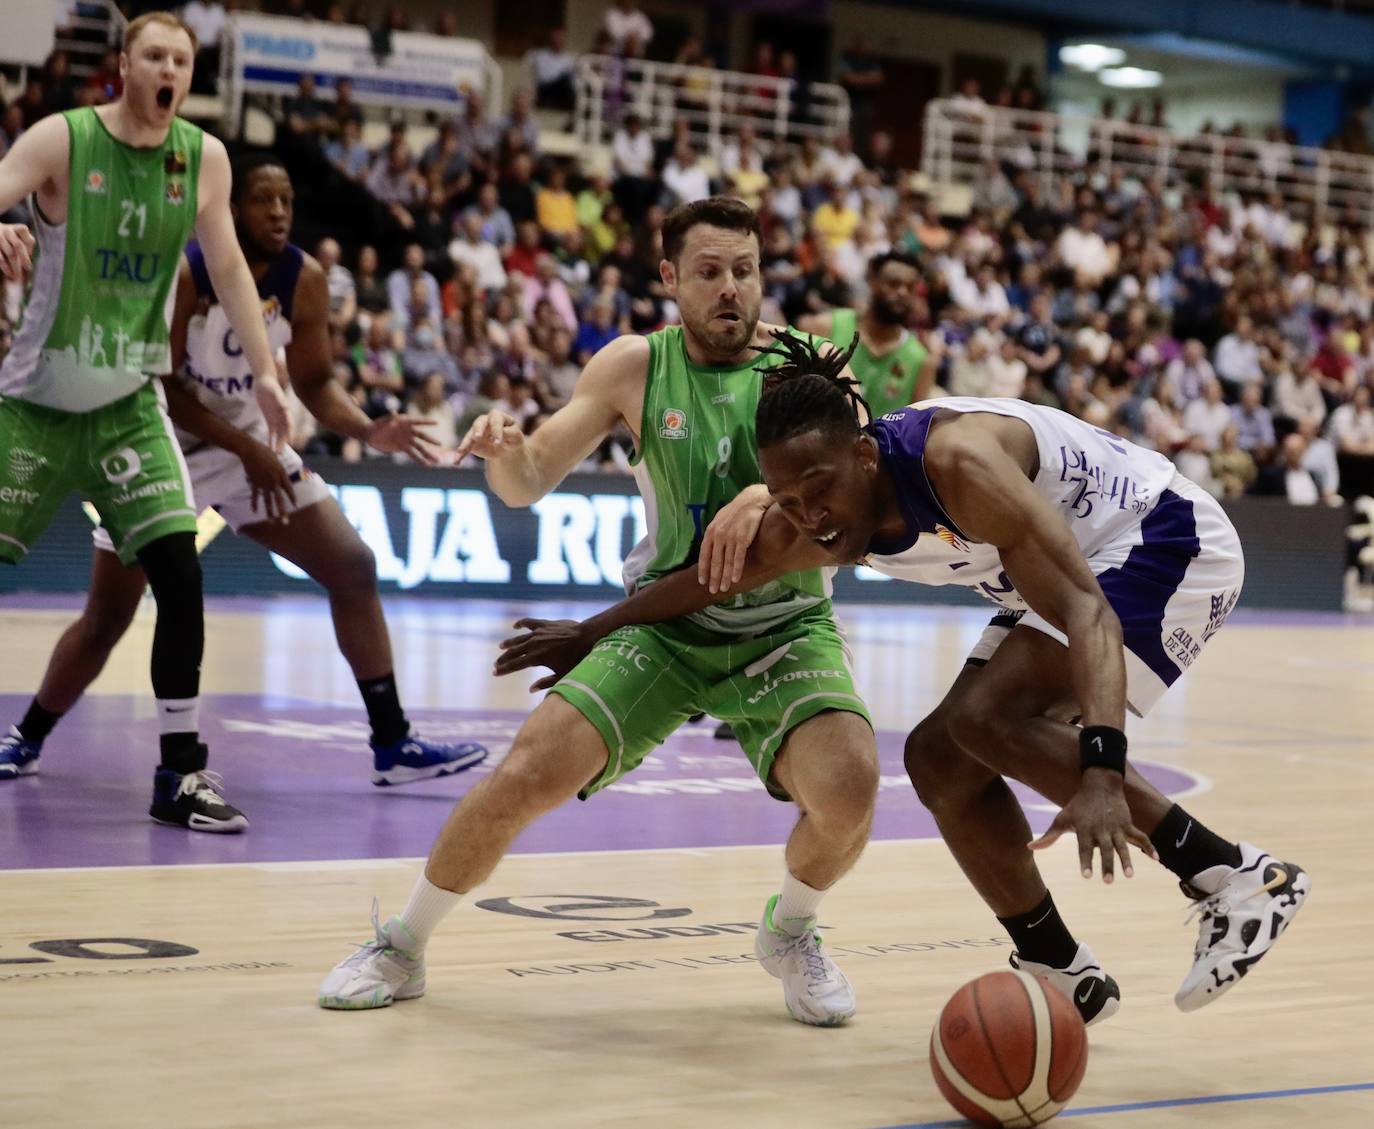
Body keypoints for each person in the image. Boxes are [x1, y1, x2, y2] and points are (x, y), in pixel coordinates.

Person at [498, 336, 1311, 1024]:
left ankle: (1238, 874)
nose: (808, 515)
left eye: (817, 490)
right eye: (785, 496)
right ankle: (1061, 969)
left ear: (862, 456)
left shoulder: (959, 463)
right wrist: (591, 629)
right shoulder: (817, 515)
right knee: (939, 757)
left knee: (989, 718)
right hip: (1071, 567)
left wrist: (1101, 769)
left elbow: (1089, 614)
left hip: (1162, 538)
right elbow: (714, 577)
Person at [318, 198, 880, 1026]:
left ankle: (791, 930)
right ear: (669, 279)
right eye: (710, 273)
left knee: (853, 789)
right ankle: (402, 944)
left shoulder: (816, 366)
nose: (731, 289)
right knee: (522, 775)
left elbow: (861, 497)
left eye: (745, 271)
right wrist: (506, 453)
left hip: (785, 626)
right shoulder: (632, 368)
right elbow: (528, 481)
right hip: (663, 624)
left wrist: (762, 496)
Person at [0, 154, 488, 796]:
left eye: (287, 200)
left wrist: (368, 428)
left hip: (250, 449)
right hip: (162, 448)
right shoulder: (187, 271)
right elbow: (165, 388)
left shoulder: (304, 279)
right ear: (234, 210)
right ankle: (26, 737)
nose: (279, 212)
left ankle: (392, 742)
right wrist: (249, 448)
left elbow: (313, 381)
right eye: (264, 200)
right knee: (107, 618)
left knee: (353, 565)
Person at [0, 13, 292, 831]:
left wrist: (267, 375)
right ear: (124, 64)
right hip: (35, 402)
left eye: (183, 59)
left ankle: (180, 773)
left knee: (180, 570)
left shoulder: (203, 160)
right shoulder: (63, 139)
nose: (170, 68)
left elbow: (228, 265)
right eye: (156, 55)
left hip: (132, 405)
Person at [797, 251, 935, 417]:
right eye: (893, 284)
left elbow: (914, 426)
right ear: (873, 282)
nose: (902, 292)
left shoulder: (922, 360)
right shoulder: (824, 327)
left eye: (910, 288)